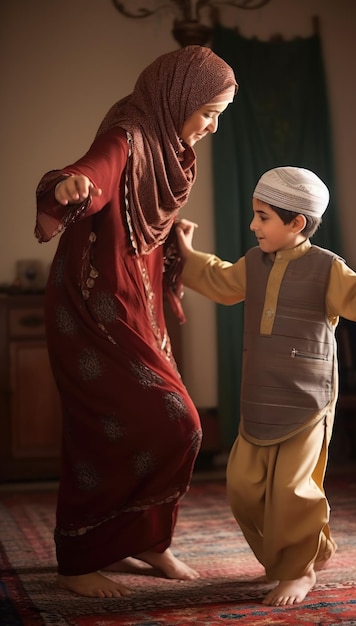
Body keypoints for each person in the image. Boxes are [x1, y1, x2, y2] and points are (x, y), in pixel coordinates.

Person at [35, 45, 238, 599]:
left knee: (164, 428)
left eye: (219, 116)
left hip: (137, 300)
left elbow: (143, 221)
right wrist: (67, 186)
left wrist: (176, 240)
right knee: (160, 423)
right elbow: (92, 172)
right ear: (179, 98)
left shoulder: (171, 151)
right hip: (94, 307)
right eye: (209, 113)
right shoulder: (129, 135)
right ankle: (76, 559)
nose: (212, 127)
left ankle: (149, 541)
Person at [175, 166, 356, 607]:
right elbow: (218, 279)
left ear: (297, 223)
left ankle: (298, 569)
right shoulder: (252, 263)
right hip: (258, 398)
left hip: (308, 400)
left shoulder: (327, 269)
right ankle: (313, 549)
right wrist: (187, 254)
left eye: (262, 216)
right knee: (243, 486)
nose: (253, 225)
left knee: (292, 489)